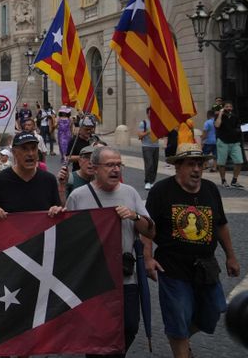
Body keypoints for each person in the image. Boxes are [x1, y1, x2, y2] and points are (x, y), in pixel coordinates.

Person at [144, 143, 240, 358]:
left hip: (206, 266)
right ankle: (181, 348)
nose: (197, 169)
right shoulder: (161, 191)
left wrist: (231, 256)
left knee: (214, 309)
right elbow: (147, 228)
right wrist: (148, 257)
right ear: (178, 167)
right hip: (173, 267)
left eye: (200, 164)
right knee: (178, 317)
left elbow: (221, 224)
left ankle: (181, 339)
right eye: (191, 164)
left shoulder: (210, 189)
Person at [65, 146, 155, 358]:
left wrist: (134, 216)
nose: (116, 169)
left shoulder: (130, 193)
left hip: (126, 277)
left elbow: (151, 231)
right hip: (94, 280)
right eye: (110, 165)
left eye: (118, 164)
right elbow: (67, 237)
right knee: (98, 334)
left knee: (130, 326)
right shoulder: (78, 196)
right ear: (95, 168)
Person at [0, 131, 63, 219]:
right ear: (14, 153)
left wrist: (56, 209)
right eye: (24, 149)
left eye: (33, 148)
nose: (30, 153)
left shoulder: (49, 180)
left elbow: (59, 210)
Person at [214, 101, 243, 188]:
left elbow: (239, 127)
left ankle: (234, 180)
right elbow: (217, 125)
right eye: (226, 106)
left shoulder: (235, 117)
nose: (229, 108)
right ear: (223, 108)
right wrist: (220, 114)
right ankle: (223, 180)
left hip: (234, 142)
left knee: (239, 161)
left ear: (232, 108)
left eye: (230, 106)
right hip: (223, 142)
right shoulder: (219, 116)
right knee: (222, 163)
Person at [138, 107, 160, 190]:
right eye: (151, 113)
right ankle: (147, 182)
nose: (152, 114)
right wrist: (148, 131)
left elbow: (161, 135)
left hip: (156, 146)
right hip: (146, 146)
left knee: (155, 165)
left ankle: (152, 182)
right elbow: (139, 135)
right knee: (149, 164)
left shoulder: (157, 123)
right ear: (147, 113)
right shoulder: (143, 123)